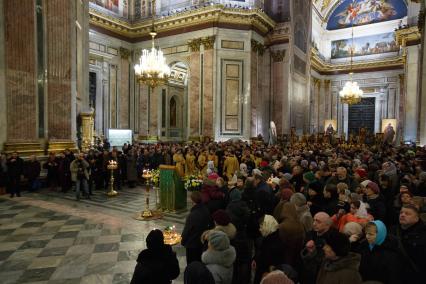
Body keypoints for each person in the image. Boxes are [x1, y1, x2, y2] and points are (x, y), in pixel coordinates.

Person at [393, 205, 426, 284]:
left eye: (407, 214)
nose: (402, 215)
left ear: (416, 218)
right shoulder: (392, 230)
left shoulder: (423, 234)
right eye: (401, 213)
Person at [182, 191, 213, 264]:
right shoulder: (206, 210)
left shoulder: (192, 215)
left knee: (192, 264)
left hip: (192, 245)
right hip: (203, 243)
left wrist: (183, 241)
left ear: (192, 201)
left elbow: (187, 231)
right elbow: (211, 225)